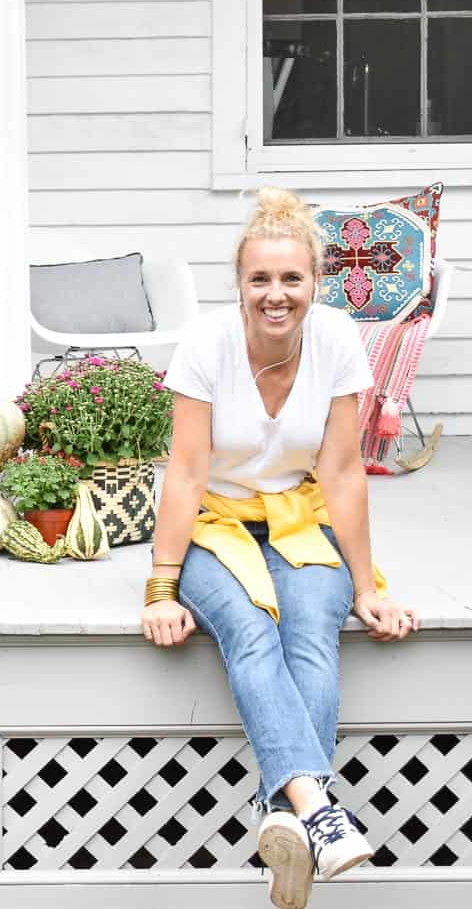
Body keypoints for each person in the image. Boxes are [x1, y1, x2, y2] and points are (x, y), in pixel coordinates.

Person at [141, 188, 418, 909]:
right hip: (213, 521)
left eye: (291, 279)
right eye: (260, 279)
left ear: (314, 284)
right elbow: (187, 472)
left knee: (313, 636)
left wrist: (366, 586)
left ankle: (291, 817)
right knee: (249, 631)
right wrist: (161, 587)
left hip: (300, 515)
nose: (276, 295)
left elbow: (343, 470)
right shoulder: (205, 343)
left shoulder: (335, 338)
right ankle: (319, 808)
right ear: (239, 284)